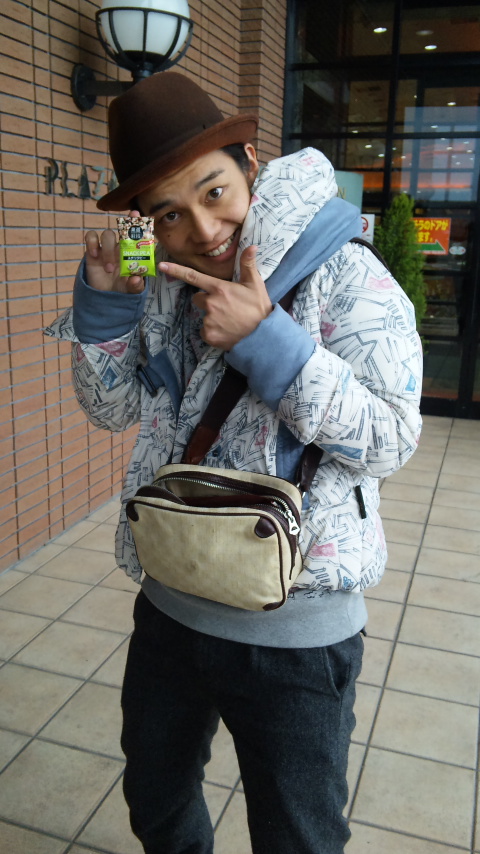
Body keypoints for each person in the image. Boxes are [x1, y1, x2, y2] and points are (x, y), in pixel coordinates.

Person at [46, 71, 422, 854]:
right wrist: (105, 305)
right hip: (172, 603)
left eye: (214, 191)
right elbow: (112, 408)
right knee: (156, 797)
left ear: (250, 162)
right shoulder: (160, 284)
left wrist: (269, 345)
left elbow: (391, 437)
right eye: (169, 214)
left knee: (297, 836)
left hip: (298, 629)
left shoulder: (346, 274)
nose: (203, 229)